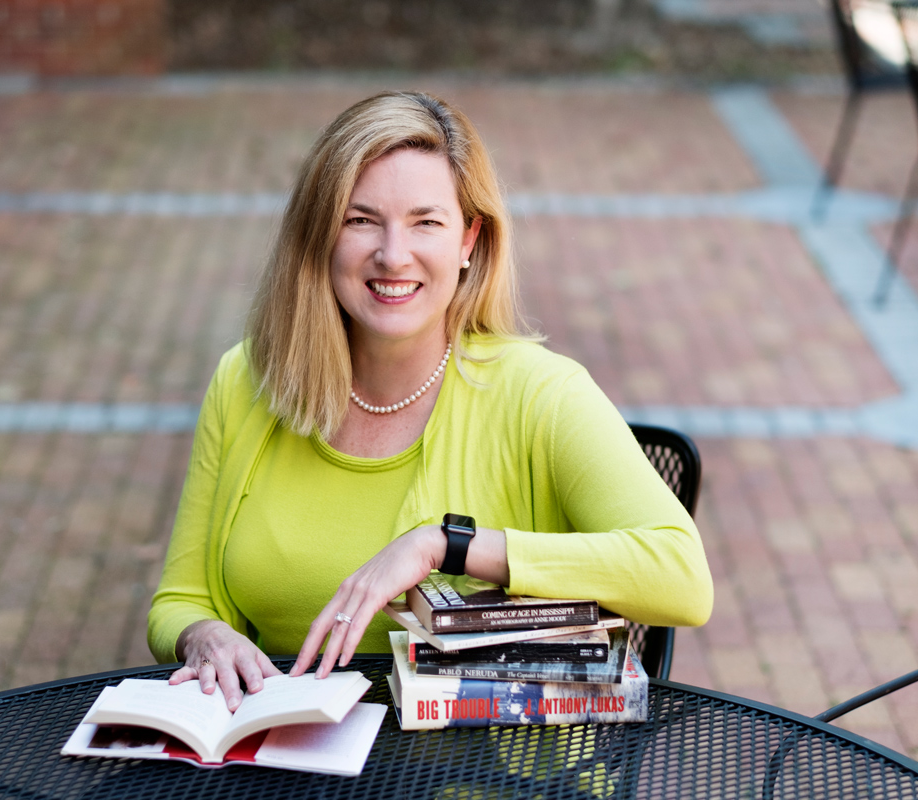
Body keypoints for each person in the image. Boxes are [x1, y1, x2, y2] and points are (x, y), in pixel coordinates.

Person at [147, 91, 713, 710]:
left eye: (426, 222)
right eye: (360, 219)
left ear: (469, 240)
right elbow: (181, 599)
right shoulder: (247, 382)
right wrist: (203, 636)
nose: (393, 254)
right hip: (289, 759)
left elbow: (681, 575)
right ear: (320, 235)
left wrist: (446, 544)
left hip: (489, 773)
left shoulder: (542, 393)